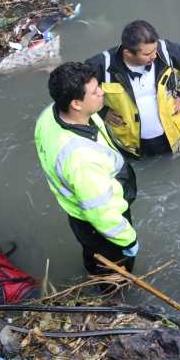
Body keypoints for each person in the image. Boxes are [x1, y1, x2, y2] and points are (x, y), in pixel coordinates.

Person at [35, 62, 139, 277]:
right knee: (113, 266)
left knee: (91, 250)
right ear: (76, 103)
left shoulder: (49, 115)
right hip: (100, 219)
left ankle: (95, 272)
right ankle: (113, 297)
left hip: (79, 213)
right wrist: (128, 239)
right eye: (94, 91)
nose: (102, 92)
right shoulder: (81, 160)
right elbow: (101, 212)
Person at [85, 20, 180, 157]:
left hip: (173, 135)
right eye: (147, 54)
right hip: (129, 145)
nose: (154, 56)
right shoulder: (102, 65)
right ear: (128, 53)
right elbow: (78, 95)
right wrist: (102, 111)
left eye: (155, 50)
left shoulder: (165, 51)